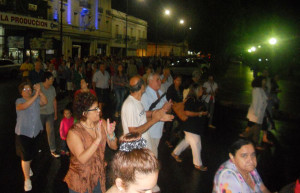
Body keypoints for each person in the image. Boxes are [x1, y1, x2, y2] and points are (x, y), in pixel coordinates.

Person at [65, 92, 118, 193]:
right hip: (80, 180)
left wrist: (111, 135)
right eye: (95, 109)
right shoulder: (74, 133)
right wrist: (98, 139)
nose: (99, 110)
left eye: (98, 107)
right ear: (84, 113)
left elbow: (114, 147)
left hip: (98, 177)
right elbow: (82, 159)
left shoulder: (101, 123)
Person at [15, 81, 47, 191]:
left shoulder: (36, 98)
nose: (27, 91)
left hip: (36, 132)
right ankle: (27, 180)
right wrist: (36, 94)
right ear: (21, 92)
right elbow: (24, 106)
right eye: (25, 89)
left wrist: (40, 92)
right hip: (23, 133)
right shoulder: (19, 101)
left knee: (32, 154)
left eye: (29, 89)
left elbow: (45, 102)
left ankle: (27, 167)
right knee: (25, 156)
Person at [171, 83, 208, 171]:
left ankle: (175, 153)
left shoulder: (196, 99)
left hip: (192, 127)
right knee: (196, 143)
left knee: (187, 141)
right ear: (196, 90)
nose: (202, 91)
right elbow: (187, 112)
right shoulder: (191, 100)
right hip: (191, 127)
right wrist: (200, 113)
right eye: (201, 89)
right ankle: (198, 164)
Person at [240, 76, 268, 147]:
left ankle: (245, 135)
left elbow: (265, 99)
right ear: (259, 81)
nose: (265, 82)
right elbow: (255, 102)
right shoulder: (256, 90)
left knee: (256, 128)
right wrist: (256, 113)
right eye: (263, 81)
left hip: (260, 113)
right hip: (256, 113)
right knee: (257, 129)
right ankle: (255, 144)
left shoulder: (261, 90)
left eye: (265, 81)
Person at [40, 72, 60, 157]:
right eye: (52, 78)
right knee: (38, 132)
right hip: (40, 114)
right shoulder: (38, 87)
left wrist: (55, 113)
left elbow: (54, 101)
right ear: (46, 79)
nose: (53, 80)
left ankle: (53, 149)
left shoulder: (52, 88)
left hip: (50, 113)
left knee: (51, 132)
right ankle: (37, 147)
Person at [165, 75, 184, 148]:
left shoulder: (181, 88)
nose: (179, 82)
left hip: (180, 108)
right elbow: (169, 98)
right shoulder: (171, 88)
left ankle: (176, 134)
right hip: (173, 108)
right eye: (177, 80)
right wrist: (174, 104)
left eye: (180, 80)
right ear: (174, 80)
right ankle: (167, 140)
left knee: (181, 122)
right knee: (169, 124)